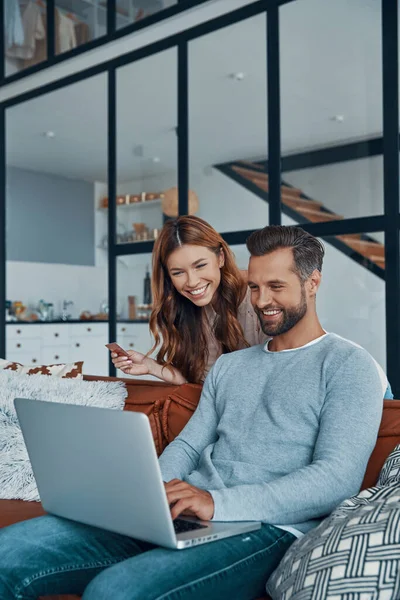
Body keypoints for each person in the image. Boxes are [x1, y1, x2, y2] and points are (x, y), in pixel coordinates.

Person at [0, 225, 388, 600]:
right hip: (186, 513)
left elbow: (336, 479)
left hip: (266, 527)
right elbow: (188, 444)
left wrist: (217, 503)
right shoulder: (231, 366)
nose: (262, 300)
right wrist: (151, 496)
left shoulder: (349, 365)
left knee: (116, 591)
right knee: (8, 553)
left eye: (276, 287)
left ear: (312, 284)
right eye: (254, 287)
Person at [112, 215, 267, 385]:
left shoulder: (259, 297)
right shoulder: (188, 309)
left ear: (220, 258)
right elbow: (200, 386)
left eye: (200, 266)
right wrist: (151, 367)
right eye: (178, 272)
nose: (192, 282)